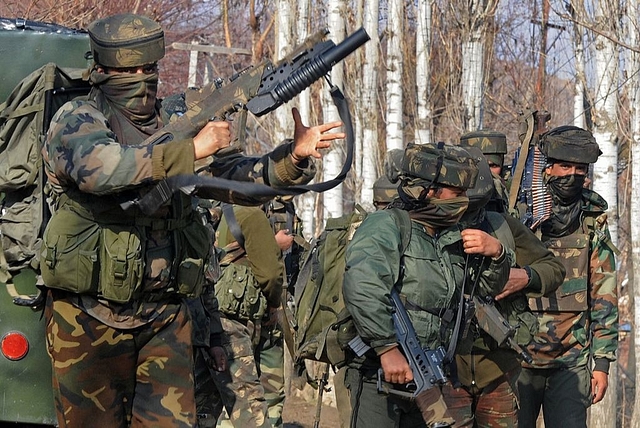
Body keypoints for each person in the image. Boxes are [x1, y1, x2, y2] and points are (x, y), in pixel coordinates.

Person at [40, 13, 345, 428]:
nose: (142, 80)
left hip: (164, 317)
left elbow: (235, 181)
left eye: (149, 69)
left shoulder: (172, 120)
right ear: (101, 70)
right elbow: (101, 169)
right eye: (129, 71)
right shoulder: (78, 118)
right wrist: (191, 150)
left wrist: (291, 159)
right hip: (88, 319)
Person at [341, 142, 513, 428]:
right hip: (380, 374)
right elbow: (363, 286)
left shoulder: (454, 237)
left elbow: (485, 291)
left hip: (430, 373)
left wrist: (497, 254)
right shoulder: (386, 226)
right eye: (456, 194)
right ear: (429, 192)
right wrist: (386, 349)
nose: (462, 202)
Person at [441, 147, 565, 427]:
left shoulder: (502, 226)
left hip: (498, 369)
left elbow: (554, 268)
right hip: (445, 369)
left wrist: (524, 276)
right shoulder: (426, 230)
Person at [516, 126, 618, 428]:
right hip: (517, 359)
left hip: (571, 361)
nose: (572, 175)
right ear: (548, 168)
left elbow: (604, 291)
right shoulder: (521, 209)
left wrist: (602, 363)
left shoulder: (592, 217)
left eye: (580, 168)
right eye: (565, 166)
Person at [209, 203, 287, 428]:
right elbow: (271, 275)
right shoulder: (251, 214)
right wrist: (274, 304)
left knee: (215, 400)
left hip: (212, 314)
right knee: (250, 403)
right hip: (243, 317)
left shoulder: (214, 210)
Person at [460, 130, 510, 213]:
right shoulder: (455, 191)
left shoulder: (511, 187)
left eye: (492, 166)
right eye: (478, 166)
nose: (486, 172)